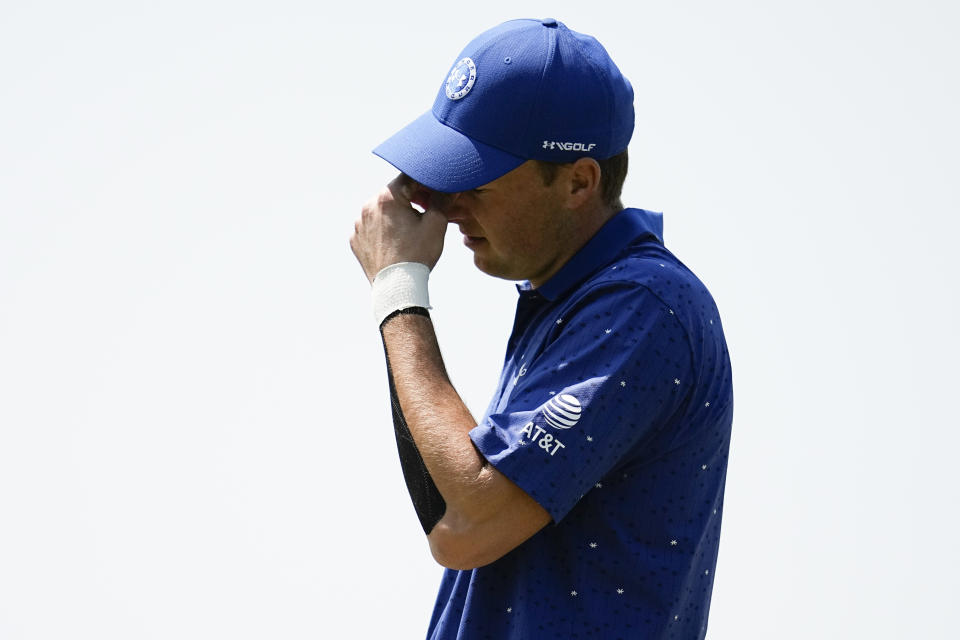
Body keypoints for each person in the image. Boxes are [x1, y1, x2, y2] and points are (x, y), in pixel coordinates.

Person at [350, 18, 733, 640]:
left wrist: (399, 291)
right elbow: (453, 525)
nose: (445, 205)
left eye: (475, 177)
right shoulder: (575, 300)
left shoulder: (640, 305)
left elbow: (469, 521)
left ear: (580, 181)